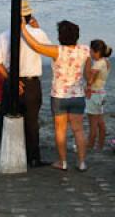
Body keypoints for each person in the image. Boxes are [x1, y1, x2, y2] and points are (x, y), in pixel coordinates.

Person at [21, 19, 91, 172]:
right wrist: (90, 85)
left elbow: (36, 46)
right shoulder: (85, 50)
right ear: (77, 35)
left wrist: (23, 29)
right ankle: (82, 163)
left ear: (60, 36)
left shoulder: (57, 51)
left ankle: (63, 162)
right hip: (78, 95)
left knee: (60, 130)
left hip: (59, 96)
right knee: (78, 130)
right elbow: (88, 74)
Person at [0, 0, 51, 167]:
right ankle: (33, 157)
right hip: (31, 83)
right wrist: (37, 29)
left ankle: (6, 152)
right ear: (30, 16)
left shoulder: (4, 35)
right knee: (32, 121)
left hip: (12, 81)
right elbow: (49, 50)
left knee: (5, 117)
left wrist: (11, 79)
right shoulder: (38, 34)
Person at [86, 39, 112, 152]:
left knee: (93, 123)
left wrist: (87, 87)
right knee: (100, 122)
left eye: (90, 51)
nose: (90, 53)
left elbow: (90, 81)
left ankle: (89, 146)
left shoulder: (97, 64)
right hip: (101, 93)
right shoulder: (106, 62)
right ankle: (99, 146)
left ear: (95, 51)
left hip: (94, 95)